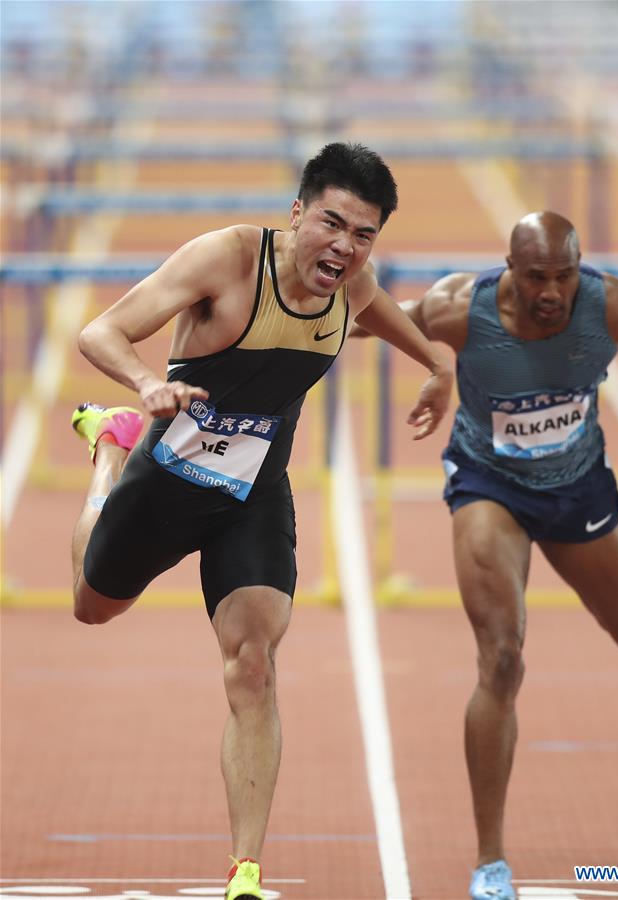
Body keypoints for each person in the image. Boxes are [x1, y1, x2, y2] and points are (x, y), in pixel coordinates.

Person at [69, 142, 452, 900]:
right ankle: (107, 455)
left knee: (253, 662)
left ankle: (245, 870)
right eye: (332, 224)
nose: (344, 246)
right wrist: (147, 385)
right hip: (164, 478)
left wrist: (437, 365)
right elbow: (100, 332)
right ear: (297, 214)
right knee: (91, 606)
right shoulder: (227, 260)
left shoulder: (351, 282)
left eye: (364, 234)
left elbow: (377, 312)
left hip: (251, 492)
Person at [352, 210, 618, 900]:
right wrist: (303, 324)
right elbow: (379, 319)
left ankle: (610, 548)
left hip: (579, 486)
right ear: (511, 270)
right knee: (501, 655)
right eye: (537, 277)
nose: (553, 291)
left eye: (565, 275)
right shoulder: (462, 307)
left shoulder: (613, 307)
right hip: (489, 484)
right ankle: (491, 862)